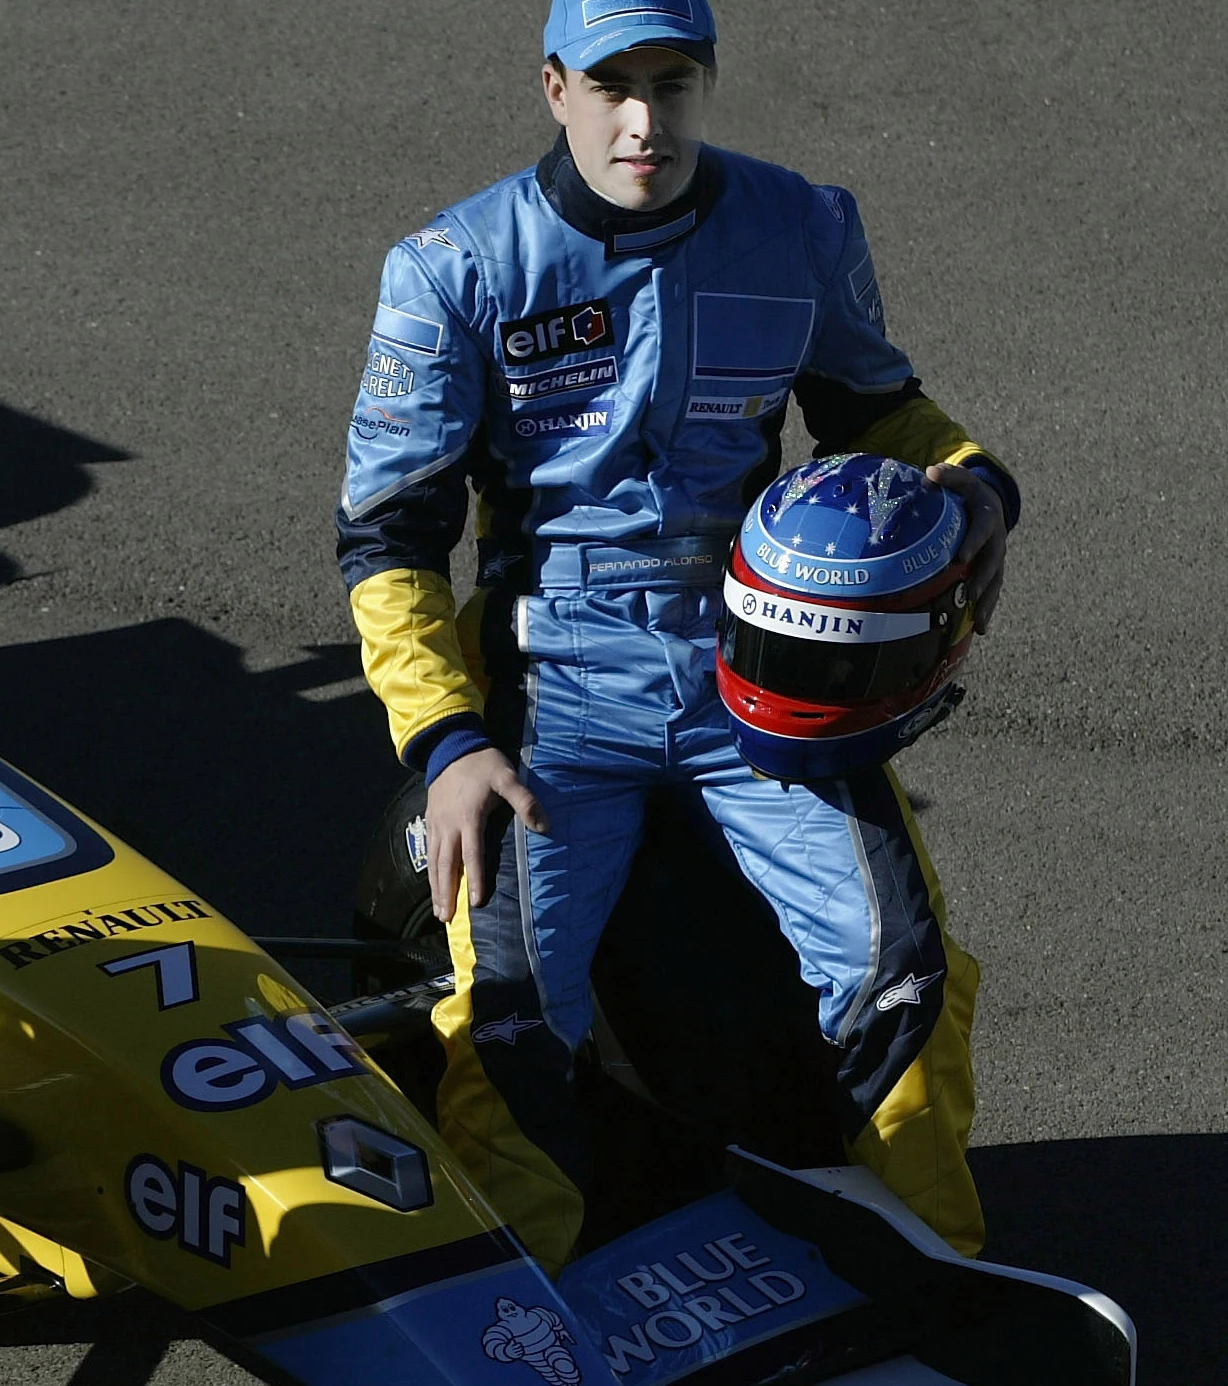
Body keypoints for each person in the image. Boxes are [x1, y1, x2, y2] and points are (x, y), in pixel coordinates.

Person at [336, 0, 1016, 1272]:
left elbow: (882, 410)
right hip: (548, 682)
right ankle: (518, 1320)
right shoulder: (451, 267)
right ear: (553, 88)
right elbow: (387, 539)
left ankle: (937, 1277)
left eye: (673, 81)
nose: (644, 119)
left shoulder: (800, 222)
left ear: (706, 82)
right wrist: (445, 741)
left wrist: (974, 483)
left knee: (905, 976)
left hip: (759, 671)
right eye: (610, 87)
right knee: (510, 1019)